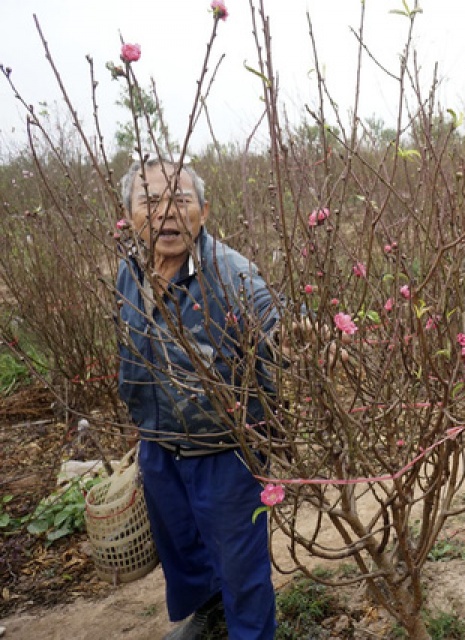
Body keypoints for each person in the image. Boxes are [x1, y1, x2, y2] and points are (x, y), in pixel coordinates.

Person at [115, 157, 278, 640]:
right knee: (184, 551)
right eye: (151, 201)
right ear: (130, 215)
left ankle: (250, 632)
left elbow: (275, 324)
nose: (167, 212)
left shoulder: (231, 273)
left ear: (203, 212)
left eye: (181, 200)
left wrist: (303, 336)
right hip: (159, 442)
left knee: (239, 563)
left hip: (223, 450)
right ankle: (210, 615)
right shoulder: (129, 271)